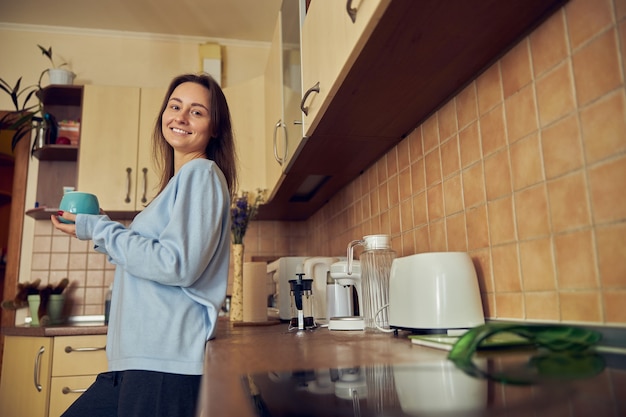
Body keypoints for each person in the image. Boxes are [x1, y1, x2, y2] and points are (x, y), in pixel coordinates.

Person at [51, 73, 237, 417]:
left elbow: (175, 264)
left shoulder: (203, 174)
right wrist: (98, 230)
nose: (180, 117)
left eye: (197, 112)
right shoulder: (176, 185)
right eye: (175, 106)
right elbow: (152, 259)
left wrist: (99, 229)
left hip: (164, 364)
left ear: (214, 129)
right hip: (138, 361)